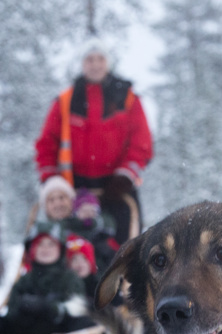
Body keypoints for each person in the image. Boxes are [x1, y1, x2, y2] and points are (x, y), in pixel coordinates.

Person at [35, 36, 154, 243]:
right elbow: (46, 144)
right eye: (90, 59)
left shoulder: (127, 99)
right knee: (70, 249)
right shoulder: (65, 101)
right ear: (82, 64)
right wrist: (51, 180)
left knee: (125, 247)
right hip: (73, 189)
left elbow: (142, 143)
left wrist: (125, 176)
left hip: (118, 188)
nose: (95, 64)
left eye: (100, 59)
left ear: (108, 62)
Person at [0, 223, 92, 334]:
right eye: (40, 244)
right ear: (32, 250)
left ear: (60, 249)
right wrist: (23, 309)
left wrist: (49, 307)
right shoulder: (24, 280)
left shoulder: (70, 278)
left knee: (85, 323)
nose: (45, 249)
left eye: (51, 244)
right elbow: (11, 314)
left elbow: (76, 309)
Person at [61, 188, 119, 274]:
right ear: (76, 214)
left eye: (92, 211)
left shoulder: (102, 229)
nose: (88, 214)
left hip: (99, 266)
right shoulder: (71, 228)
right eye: (84, 211)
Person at [65, 233, 100, 300]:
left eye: (84, 259)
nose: (79, 264)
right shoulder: (64, 287)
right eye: (74, 259)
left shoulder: (100, 287)